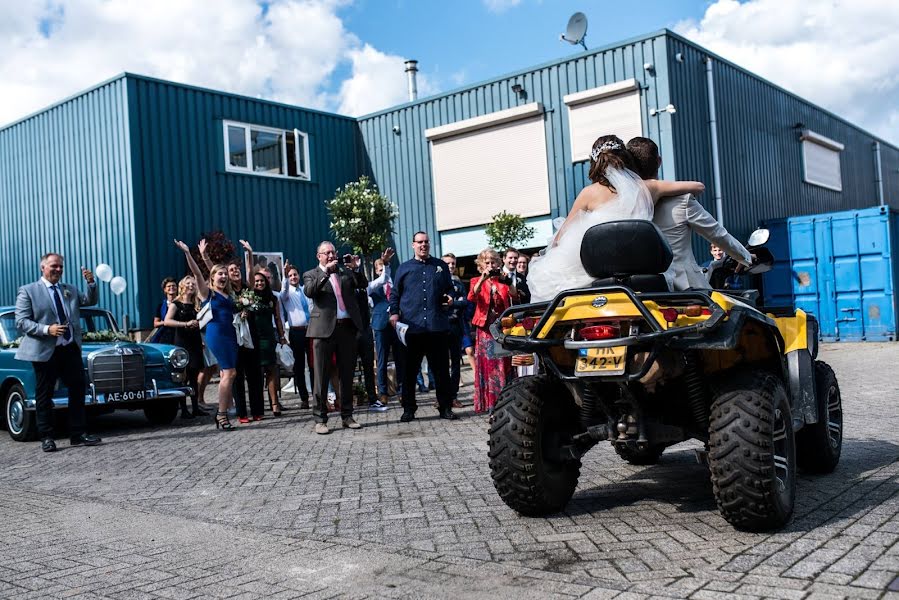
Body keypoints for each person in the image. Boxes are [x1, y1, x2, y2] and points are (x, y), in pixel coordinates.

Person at [527, 134, 705, 302]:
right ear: (626, 158)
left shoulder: (588, 194)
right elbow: (697, 186)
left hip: (596, 271)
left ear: (595, 163)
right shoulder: (648, 187)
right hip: (638, 266)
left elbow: (559, 238)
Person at [626, 136, 752, 290]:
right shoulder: (681, 200)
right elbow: (717, 234)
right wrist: (746, 257)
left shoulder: (622, 204)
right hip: (683, 288)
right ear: (659, 161)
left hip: (637, 289)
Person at [14, 254, 101, 452]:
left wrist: (91, 283)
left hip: (69, 348)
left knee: (78, 390)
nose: (59, 270)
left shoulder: (68, 289)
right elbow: (21, 322)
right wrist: (47, 329)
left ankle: (78, 434)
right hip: (45, 350)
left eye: (61, 267)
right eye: (54, 266)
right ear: (43, 267)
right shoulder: (28, 291)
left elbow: (88, 301)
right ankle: (46, 436)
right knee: (45, 393)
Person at [389, 231, 458, 422]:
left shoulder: (440, 266)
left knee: (441, 371)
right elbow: (395, 295)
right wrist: (394, 313)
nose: (423, 245)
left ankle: (445, 407)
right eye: (420, 242)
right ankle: (408, 409)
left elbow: (449, 288)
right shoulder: (404, 268)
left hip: (436, 327)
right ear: (413, 245)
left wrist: (451, 297)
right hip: (413, 329)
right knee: (409, 372)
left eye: (426, 242)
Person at [303, 241, 368, 434]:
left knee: (346, 375)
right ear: (319, 256)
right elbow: (310, 291)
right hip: (323, 331)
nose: (331, 256)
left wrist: (355, 269)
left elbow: (363, 284)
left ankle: (347, 416)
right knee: (321, 377)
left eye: (333, 252)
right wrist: (326, 273)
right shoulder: (311, 274)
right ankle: (320, 419)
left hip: (346, 329)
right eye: (326, 253)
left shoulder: (345, 272)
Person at [176, 240, 237, 431]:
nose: (224, 276)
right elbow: (197, 273)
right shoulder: (207, 293)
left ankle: (223, 413)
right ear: (212, 277)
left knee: (229, 374)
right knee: (229, 373)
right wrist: (189, 253)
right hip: (216, 333)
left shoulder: (228, 294)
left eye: (225, 274)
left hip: (231, 334)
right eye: (220, 274)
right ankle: (221, 414)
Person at [200, 239, 264, 423]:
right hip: (230, 334)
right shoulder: (224, 292)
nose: (234, 271)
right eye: (230, 270)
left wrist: (250, 254)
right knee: (234, 373)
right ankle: (240, 412)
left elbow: (251, 273)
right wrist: (204, 257)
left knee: (252, 373)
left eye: (237, 269)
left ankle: (257, 410)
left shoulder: (244, 289)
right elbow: (213, 271)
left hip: (247, 334)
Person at [467, 248, 513, 415]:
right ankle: (490, 404)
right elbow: (472, 296)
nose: (491, 265)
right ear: (481, 265)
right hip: (485, 330)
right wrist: (483, 278)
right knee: (488, 364)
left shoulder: (503, 281)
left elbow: (515, 297)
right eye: (487, 262)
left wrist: (506, 281)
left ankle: (505, 400)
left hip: (502, 328)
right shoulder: (475, 280)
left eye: (493, 262)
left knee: (503, 363)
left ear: (499, 263)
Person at [162, 275, 209, 419]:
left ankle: (195, 407)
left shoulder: (196, 303)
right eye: (188, 283)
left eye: (193, 284)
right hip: (182, 341)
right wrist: (185, 324)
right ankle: (184, 410)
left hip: (194, 341)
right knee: (183, 376)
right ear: (183, 285)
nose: (191, 285)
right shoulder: (176, 304)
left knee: (194, 376)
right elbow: (167, 321)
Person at [248, 270, 288, 418]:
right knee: (257, 373)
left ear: (266, 282)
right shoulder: (249, 297)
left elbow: (277, 318)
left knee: (272, 371)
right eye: (256, 281)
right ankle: (259, 406)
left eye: (262, 281)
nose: (259, 283)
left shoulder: (272, 298)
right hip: (253, 338)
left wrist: (282, 336)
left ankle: (275, 403)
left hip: (268, 337)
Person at [370, 254, 404, 407]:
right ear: (376, 271)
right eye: (379, 269)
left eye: (384, 268)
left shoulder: (396, 285)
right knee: (382, 361)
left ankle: (403, 391)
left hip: (396, 325)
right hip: (380, 325)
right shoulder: (373, 287)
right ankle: (383, 393)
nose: (382, 271)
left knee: (400, 359)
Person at [280, 262, 314, 409]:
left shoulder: (305, 290)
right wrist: (284, 277)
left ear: (299, 275)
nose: (293, 277)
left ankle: (317, 395)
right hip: (297, 332)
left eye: (295, 274)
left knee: (314, 365)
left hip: (311, 330)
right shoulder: (287, 294)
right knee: (299, 366)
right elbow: (283, 292)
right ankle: (304, 398)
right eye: (290, 275)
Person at [442, 253, 468, 408]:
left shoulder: (458, 283)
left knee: (456, 363)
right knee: (441, 364)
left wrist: (453, 304)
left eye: (453, 263)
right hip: (441, 327)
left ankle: (454, 396)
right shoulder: (438, 281)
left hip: (455, 326)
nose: (451, 266)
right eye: (448, 263)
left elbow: (465, 302)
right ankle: (442, 396)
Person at [150, 277, 177, 344]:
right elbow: (156, 323)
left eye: (174, 285)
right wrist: (166, 322)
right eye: (169, 286)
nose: (171, 287)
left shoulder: (182, 304)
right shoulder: (161, 306)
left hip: (178, 334)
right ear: (165, 289)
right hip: (165, 335)